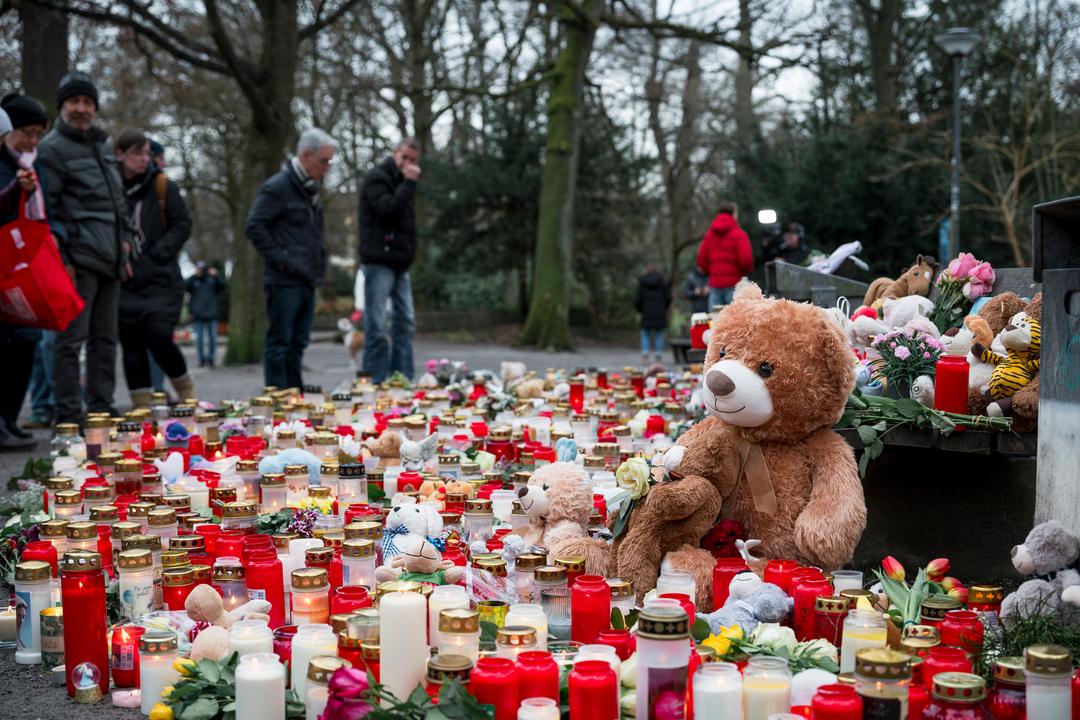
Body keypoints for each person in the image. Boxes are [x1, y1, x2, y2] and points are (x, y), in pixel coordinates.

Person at [38, 71, 129, 424]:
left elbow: (117, 203)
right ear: (62, 106)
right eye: (74, 101)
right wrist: (63, 258)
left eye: (88, 102)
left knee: (105, 340)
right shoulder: (51, 149)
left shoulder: (103, 147)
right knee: (70, 341)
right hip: (78, 260)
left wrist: (124, 248)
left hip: (110, 260)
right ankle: (67, 416)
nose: (82, 108)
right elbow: (49, 209)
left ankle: (101, 409)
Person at [0, 95, 66, 449]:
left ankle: (8, 419)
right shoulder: (7, 168)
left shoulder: (29, 167)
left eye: (39, 134)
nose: (32, 141)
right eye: (27, 132)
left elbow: (45, 212)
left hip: (25, 266)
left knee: (25, 342)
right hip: (5, 265)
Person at [113, 128, 194, 407]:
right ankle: (143, 410)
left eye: (147, 152)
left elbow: (183, 225)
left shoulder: (162, 186)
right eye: (138, 153)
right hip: (124, 281)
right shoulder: (111, 187)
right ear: (119, 155)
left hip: (160, 281)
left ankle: (188, 397)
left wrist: (158, 254)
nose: (144, 159)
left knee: (159, 336)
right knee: (132, 345)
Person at [246, 128, 332, 389]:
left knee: (298, 343)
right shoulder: (277, 188)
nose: (327, 168)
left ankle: (295, 395)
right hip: (284, 280)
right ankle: (277, 400)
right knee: (280, 343)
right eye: (324, 161)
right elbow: (254, 226)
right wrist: (283, 260)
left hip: (306, 279)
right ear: (305, 156)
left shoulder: (310, 190)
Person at [359, 137, 420, 383]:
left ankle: (402, 378)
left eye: (413, 160)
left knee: (405, 322)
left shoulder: (405, 182)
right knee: (376, 324)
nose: (408, 164)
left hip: (400, 261)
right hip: (378, 260)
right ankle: (375, 380)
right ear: (394, 153)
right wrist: (408, 183)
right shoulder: (378, 177)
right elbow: (388, 210)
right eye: (404, 158)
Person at [696, 200, 752, 309]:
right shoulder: (739, 234)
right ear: (734, 214)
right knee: (736, 321)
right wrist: (743, 271)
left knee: (716, 321)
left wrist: (713, 272)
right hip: (735, 285)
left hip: (715, 285)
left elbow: (701, 260)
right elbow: (746, 260)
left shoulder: (709, 235)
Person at [186, 262, 224, 367]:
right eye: (198, 269)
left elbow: (222, 286)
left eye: (201, 269)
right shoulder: (193, 281)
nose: (200, 271)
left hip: (212, 313)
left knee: (212, 338)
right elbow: (186, 286)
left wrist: (216, 275)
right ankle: (201, 359)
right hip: (198, 314)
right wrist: (194, 276)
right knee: (200, 340)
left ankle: (211, 359)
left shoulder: (212, 280)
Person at [635, 265, 672, 365]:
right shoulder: (662, 282)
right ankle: (658, 357)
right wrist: (664, 307)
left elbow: (638, 299)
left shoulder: (642, 282)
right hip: (659, 311)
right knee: (659, 334)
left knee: (645, 334)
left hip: (646, 311)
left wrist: (640, 309)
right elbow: (668, 297)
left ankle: (645, 356)